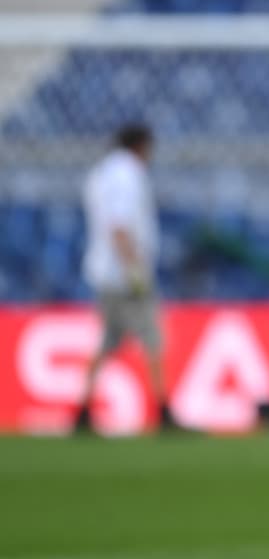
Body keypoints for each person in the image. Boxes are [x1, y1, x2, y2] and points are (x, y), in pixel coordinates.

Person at [72, 123, 174, 433]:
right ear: (141, 146)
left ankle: (83, 409)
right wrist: (134, 270)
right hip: (124, 272)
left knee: (107, 340)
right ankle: (163, 410)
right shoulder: (127, 174)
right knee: (153, 336)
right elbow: (119, 226)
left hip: (104, 271)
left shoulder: (100, 174)